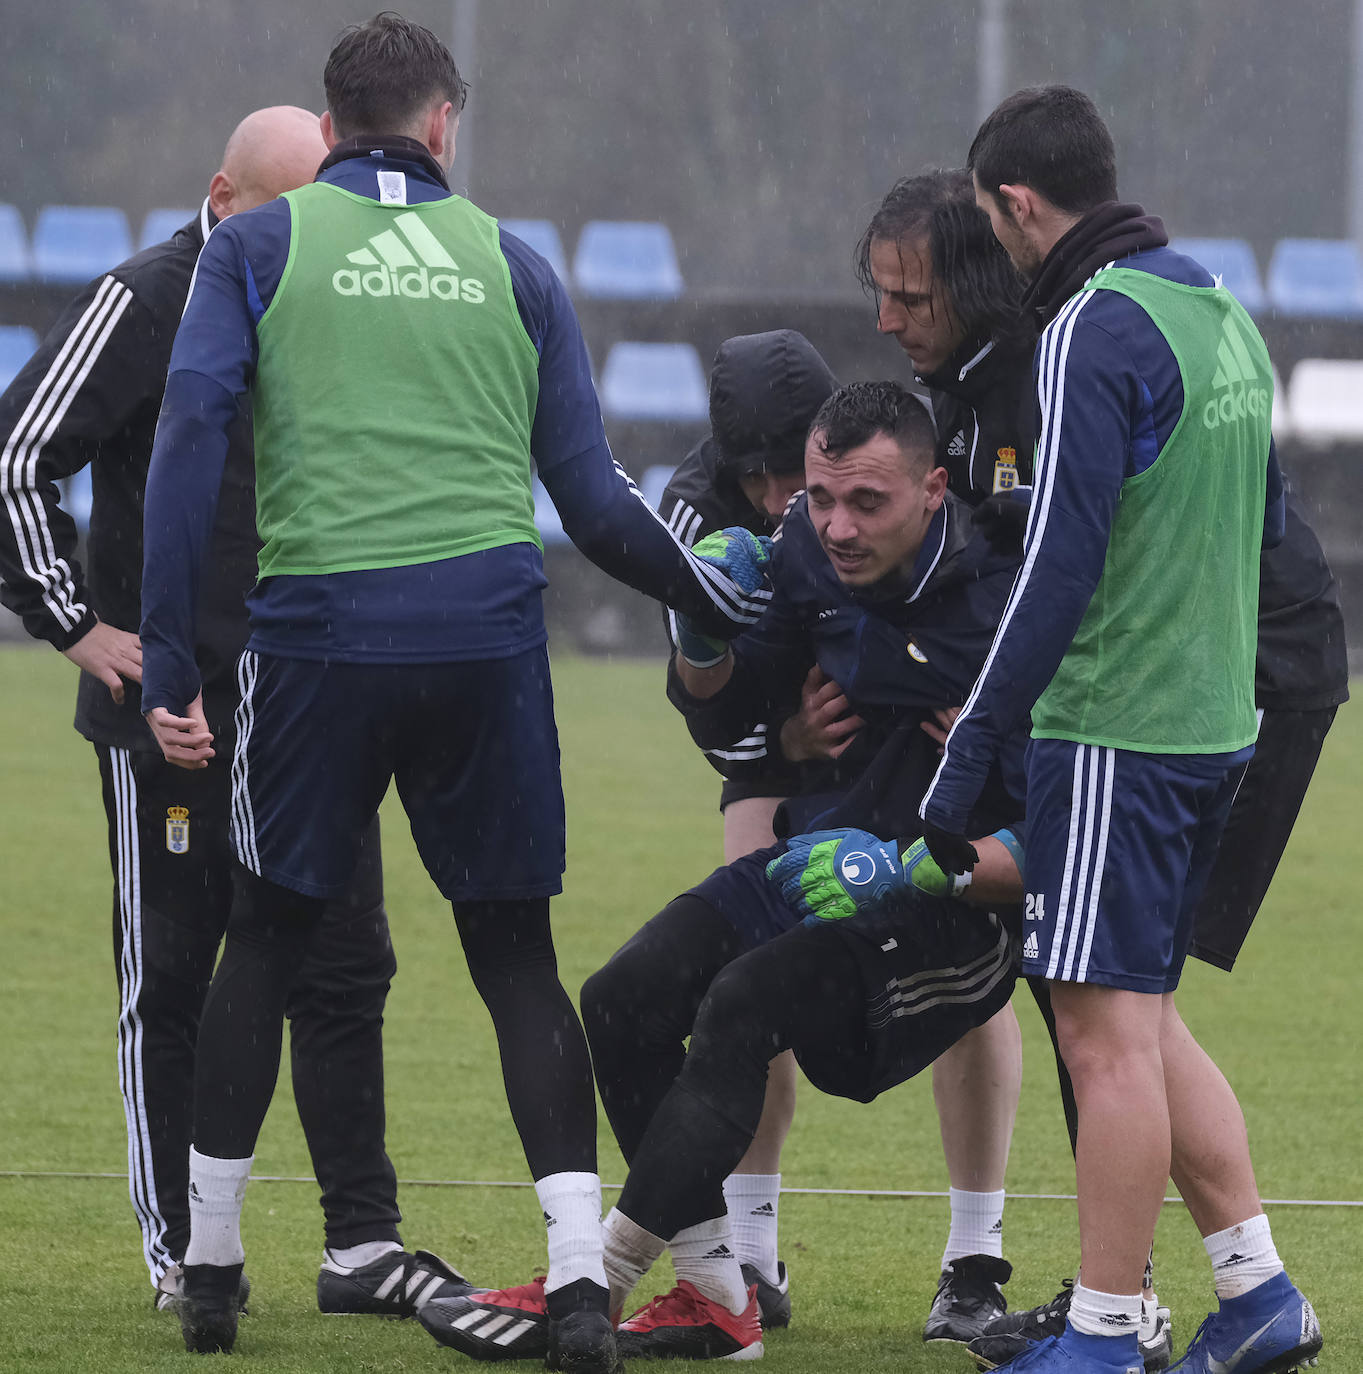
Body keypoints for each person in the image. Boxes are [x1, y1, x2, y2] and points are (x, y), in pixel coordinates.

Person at [136, 15, 769, 1367]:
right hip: (483, 638)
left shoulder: (256, 245)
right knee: (515, 960)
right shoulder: (514, 263)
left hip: (316, 641)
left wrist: (172, 659)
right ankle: (578, 1283)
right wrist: (717, 599)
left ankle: (211, 1269)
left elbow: (189, 442)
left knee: (267, 939)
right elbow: (594, 504)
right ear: (441, 127)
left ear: (333, 123)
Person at [418, 380, 1024, 1362]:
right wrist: (704, 625)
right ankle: (714, 1292)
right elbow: (727, 712)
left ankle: (592, 1284)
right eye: (819, 498)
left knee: (740, 1006)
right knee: (623, 998)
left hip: (958, 912)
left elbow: (1086, 822)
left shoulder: (1014, 590)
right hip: (823, 854)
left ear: (933, 490)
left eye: (865, 503)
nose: (833, 526)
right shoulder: (803, 548)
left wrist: (916, 865)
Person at [0, 105, 469, 1320]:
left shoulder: (333, 292)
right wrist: (75, 628)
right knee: (172, 976)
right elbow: (15, 458)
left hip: (314, 708)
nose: (311, 239)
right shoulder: (145, 298)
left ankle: (361, 1247)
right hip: (164, 713)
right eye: (287, 213)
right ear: (222, 195)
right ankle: (181, 1254)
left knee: (346, 965)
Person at [919, 86, 1321, 1374]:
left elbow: (1055, 566)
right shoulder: (1218, 311)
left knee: (1100, 1040)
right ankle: (1256, 1291)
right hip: (1210, 724)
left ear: (1021, 204)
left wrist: (975, 744)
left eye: (992, 218)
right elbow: (1262, 536)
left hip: (1112, 730)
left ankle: (1101, 1332)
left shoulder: (1089, 327)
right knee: (1142, 1025)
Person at [856, 167, 1043, 1344]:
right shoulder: (948, 394)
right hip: (978, 738)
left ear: (973, 284)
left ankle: (1210, 1279)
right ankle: (973, 1266)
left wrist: (988, 711)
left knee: (1106, 1010)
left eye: (909, 297)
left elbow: (1057, 573)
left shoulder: (1033, 381)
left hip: (1068, 739)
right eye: (877, 292)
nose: (887, 319)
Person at [656, 328, 838, 1328]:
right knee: (749, 968)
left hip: (889, 722)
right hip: (771, 734)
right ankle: (754, 1250)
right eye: (759, 481)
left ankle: (972, 1257)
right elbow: (706, 714)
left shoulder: (867, 454)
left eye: (793, 474)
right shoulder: (691, 511)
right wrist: (788, 740)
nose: (782, 504)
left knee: (970, 974)